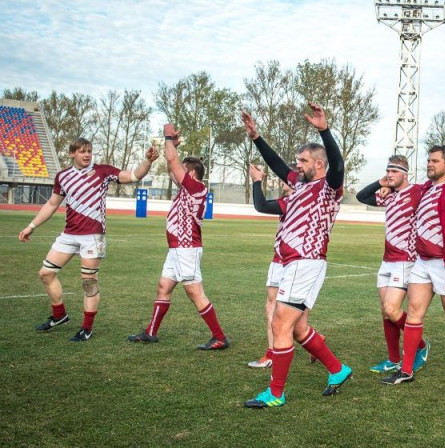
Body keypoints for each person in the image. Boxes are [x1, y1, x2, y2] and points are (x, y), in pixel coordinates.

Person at [242, 103, 352, 408]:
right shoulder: (299, 187)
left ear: (318, 164)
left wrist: (324, 130)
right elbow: (277, 165)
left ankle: (276, 394)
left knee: (281, 324)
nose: (297, 165)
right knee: (299, 327)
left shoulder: (329, 187)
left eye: (303, 161)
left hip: (307, 262)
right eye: (298, 161)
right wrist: (257, 137)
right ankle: (338, 369)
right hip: (292, 263)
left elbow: (339, 165)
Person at [19, 137, 157, 342]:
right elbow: (51, 204)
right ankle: (59, 316)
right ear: (72, 153)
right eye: (82, 151)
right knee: (46, 273)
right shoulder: (63, 176)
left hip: (93, 235)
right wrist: (31, 226)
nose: (87, 155)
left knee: (88, 282)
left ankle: (86, 328)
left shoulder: (103, 171)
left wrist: (147, 161)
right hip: (69, 234)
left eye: (89, 151)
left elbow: (134, 176)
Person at [380, 145, 445, 385]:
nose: (430, 164)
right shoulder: (426, 188)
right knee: (414, 314)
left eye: (435, 161)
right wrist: (388, 182)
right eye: (428, 161)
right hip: (423, 262)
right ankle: (406, 370)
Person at [128, 124, 228, 350]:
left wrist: (168, 137)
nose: (177, 174)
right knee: (163, 287)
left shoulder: (195, 187)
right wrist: (171, 145)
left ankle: (219, 336)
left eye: (183, 170)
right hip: (177, 248)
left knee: (194, 292)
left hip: (186, 248)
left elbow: (174, 164)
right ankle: (151, 332)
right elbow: (172, 168)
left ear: (191, 174)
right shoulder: (188, 188)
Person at [245, 163, 325, 368]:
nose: (284, 181)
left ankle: (315, 344)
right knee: (270, 305)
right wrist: (256, 182)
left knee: (297, 321)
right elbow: (261, 205)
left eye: (288, 178)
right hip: (279, 258)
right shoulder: (286, 201)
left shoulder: (305, 200)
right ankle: (271, 352)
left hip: (299, 260)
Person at [356, 155, 429, 374]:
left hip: (405, 260)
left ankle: (421, 346)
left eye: (395, 172)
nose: (390, 175)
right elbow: (362, 196)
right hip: (386, 260)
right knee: (385, 312)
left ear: (405, 174)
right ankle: (393, 358)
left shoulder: (417, 192)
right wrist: (381, 183)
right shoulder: (388, 196)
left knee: (392, 308)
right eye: (388, 171)